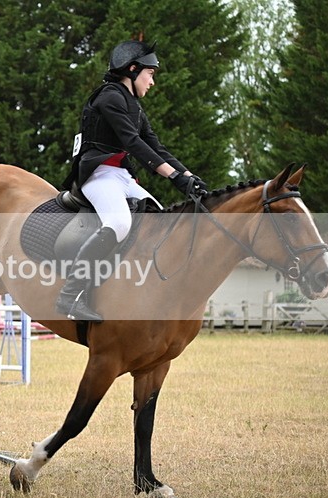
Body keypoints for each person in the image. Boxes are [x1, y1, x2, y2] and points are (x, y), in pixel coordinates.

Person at [56, 40, 208, 322]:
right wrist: (173, 177)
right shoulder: (109, 97)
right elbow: (133, 142)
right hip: (98, 174)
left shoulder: (133, 106)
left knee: (159, 222)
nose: (152, 82)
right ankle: (70, 295)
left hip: (122, 176)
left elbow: (156, 147)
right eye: (150, 74)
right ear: (133, 69)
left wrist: (188, 176)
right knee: (119, 223)